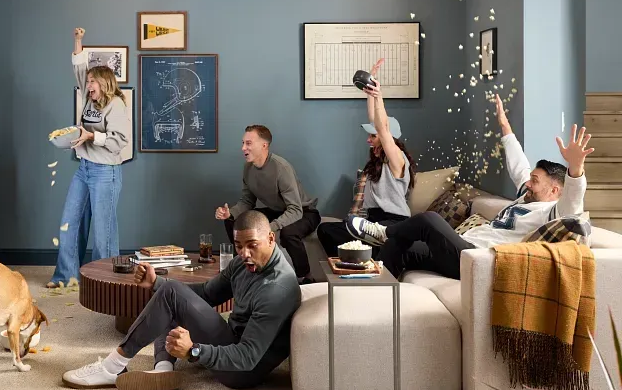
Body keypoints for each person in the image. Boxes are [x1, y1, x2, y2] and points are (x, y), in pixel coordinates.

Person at [344, 94, 593, 280]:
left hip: (478, 259)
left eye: (535, 181)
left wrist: (576, 168)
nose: (528, 183)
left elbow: (573, 202)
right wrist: (505, 125)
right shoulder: (526, 196)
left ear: (555, 191)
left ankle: (383, 232)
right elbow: (518, 164)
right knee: (399, 245)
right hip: (462, 249)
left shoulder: (552, 212)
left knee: (428, 220)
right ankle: (378, 295)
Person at [61, 210, 302, 390]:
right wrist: (155, 283)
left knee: (171, 293)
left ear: (271, 238)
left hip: (242, 372)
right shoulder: (242, 262)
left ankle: (112, 367)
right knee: (170, 294)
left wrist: (194, 351)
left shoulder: (277, 289)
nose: (244, 254)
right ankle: (163, 369)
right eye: (239, 246)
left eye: (252, 246)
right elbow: (206, 293)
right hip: (231, 342)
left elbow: (248, 357)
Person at [47, 27, 131, 288]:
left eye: (93, 81)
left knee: (103, 232)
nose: (88, 84)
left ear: (104, 83)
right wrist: (78, 40)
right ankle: (66, 277)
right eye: (89, 81)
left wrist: (92, 136)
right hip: (84, 169)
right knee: (70, 222)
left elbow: (120, 141)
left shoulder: (116, 104)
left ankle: (104, 281)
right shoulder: (89, 98)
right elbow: (80, 68)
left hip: (106, 172)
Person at [317, 58, 416, 259]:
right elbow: (374, 120)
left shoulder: (396, 159)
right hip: (372, 222)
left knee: (354, 236)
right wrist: (371, 89)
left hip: (393, 222)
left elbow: (382, 128)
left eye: (373, 136)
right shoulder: (377, 161)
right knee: (326, 230)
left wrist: (379, 97)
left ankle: (377, 256)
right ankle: (353, 265)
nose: (368, 140)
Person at [214, 125, 321, 284]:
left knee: (288, 233)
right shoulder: (248, 168)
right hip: (277, 210)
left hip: (305, 212)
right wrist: (230, 213)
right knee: (235, 221)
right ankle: (244, 266)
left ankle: (305, 276)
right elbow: (247, 201)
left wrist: (270, 227)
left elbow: (295, 209)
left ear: (264, 145)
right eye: (243, 143)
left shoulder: (281, 168)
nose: (243, 148)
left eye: (248, 143)